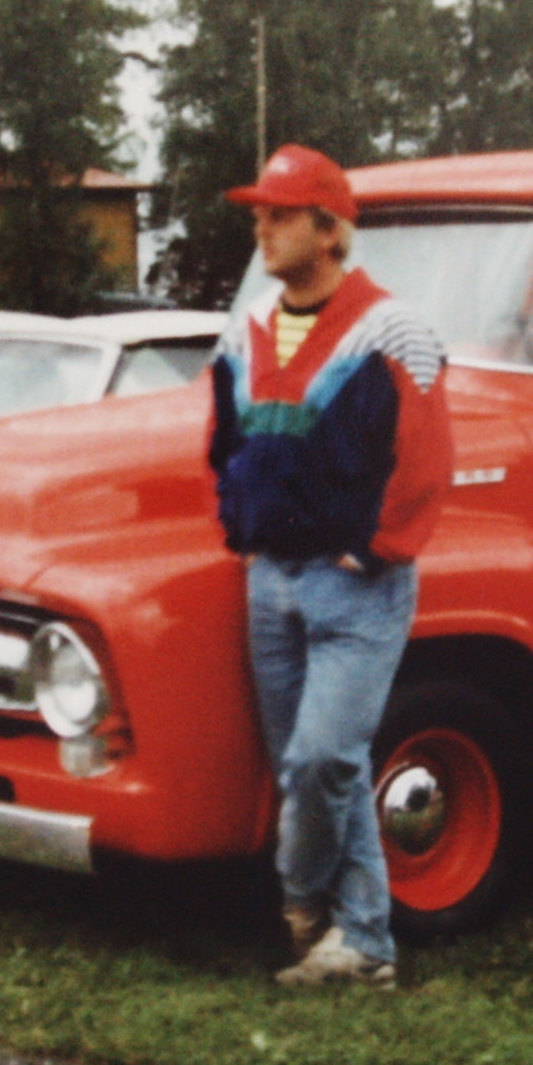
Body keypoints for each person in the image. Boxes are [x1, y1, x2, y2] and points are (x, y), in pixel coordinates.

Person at [207, 145, 451, 989]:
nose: (262, 229)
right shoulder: (246, 326)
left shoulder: (394, 329)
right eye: (259, 214)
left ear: (328, 230)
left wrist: (376, 547)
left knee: (323, 762)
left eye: (280, 215)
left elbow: (426, 458)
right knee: (311, 769)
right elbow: (224, 438)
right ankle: (363, 943)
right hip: (269, 576)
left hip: (356, 582)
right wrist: (238, 521)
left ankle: (302, 900)